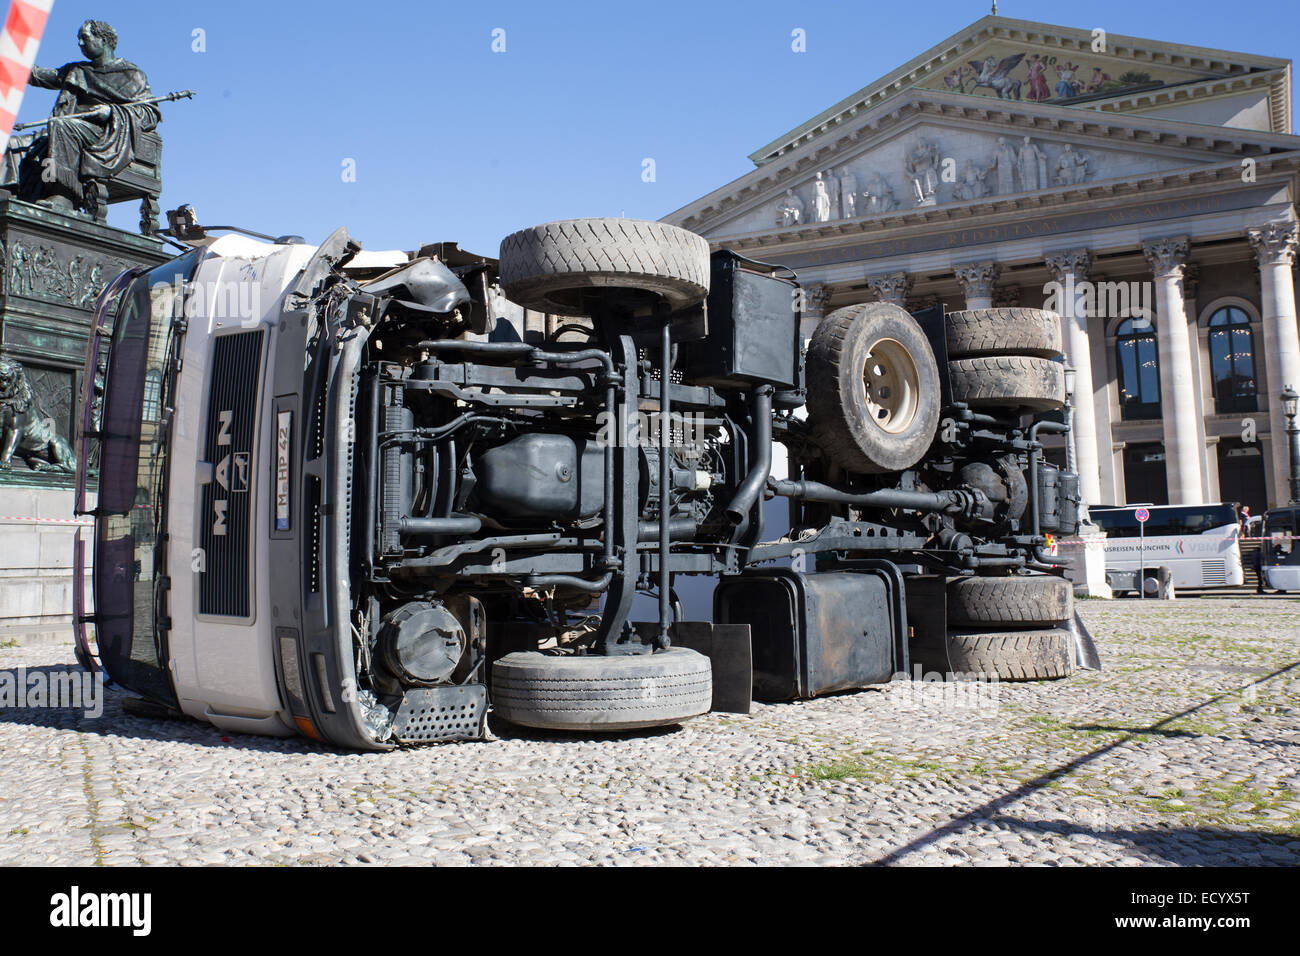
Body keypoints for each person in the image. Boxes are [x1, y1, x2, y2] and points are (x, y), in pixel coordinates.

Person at [11, 20, 160, 211]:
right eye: (78, 39)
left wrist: (111, 112)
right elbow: (37, 75)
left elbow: (149, 113)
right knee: (17, 144)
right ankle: (12, 196)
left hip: (105, 136)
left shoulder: (131, 75)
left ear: (103, 40)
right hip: (69, 133)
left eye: (85, 38)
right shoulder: (77, 70)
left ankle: (64, 195)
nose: (80, 44)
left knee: (63, 125)